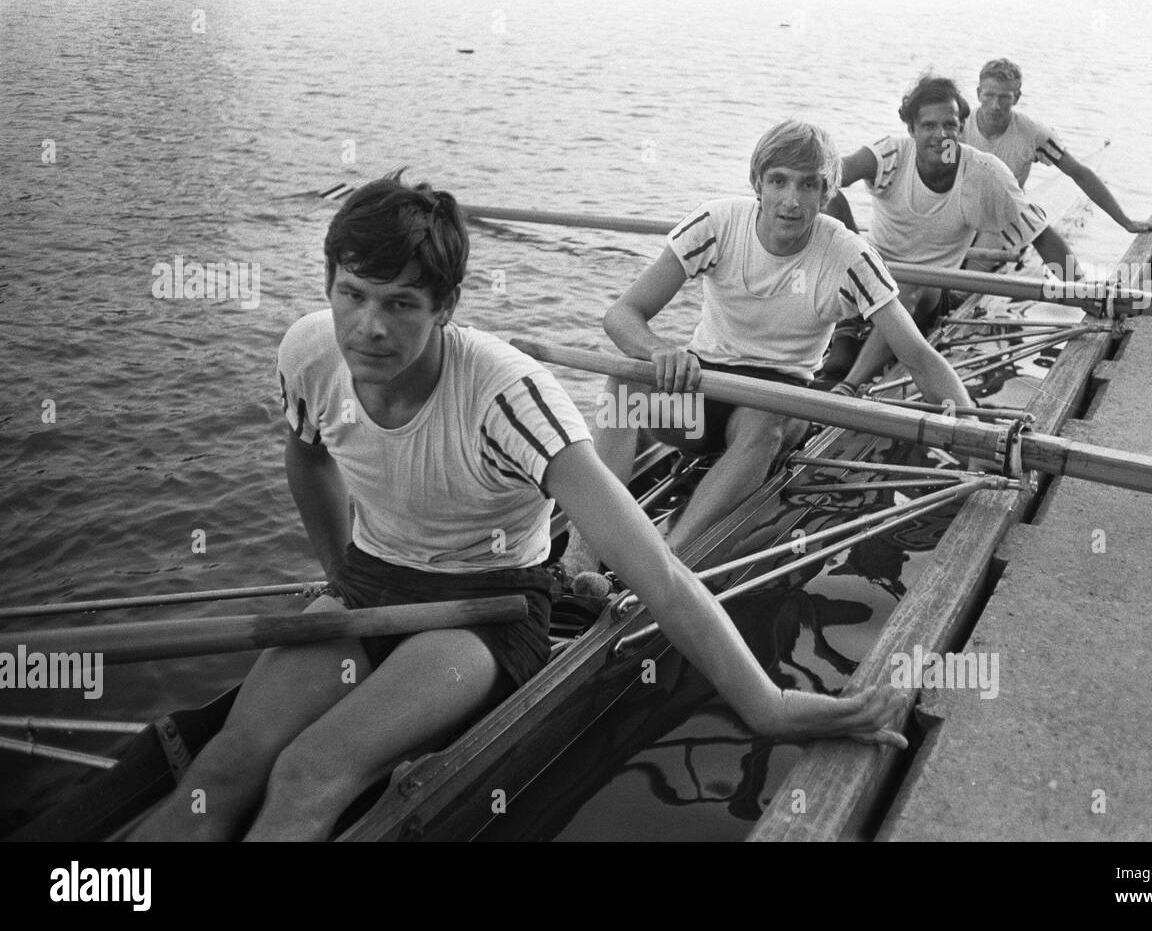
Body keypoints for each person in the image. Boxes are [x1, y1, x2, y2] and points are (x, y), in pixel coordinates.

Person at [128, 171, 909, 842]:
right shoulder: (307, 352)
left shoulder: (509, 396)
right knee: (224, 767)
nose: (369, 326)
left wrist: (767, 705)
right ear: (328, 281)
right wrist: (339, 585)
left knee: (308, 772)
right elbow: (305, 453)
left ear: (447, 306)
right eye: (352, 294)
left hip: (486, 609)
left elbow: (661, 577)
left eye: (402, 304)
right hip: (370, 582)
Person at [559, 120, 976, 589]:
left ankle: (661, 568)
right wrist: (658, 351)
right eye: (778, 181)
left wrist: (973, 434)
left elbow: (917, 357)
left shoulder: (848, 255)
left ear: (827, 192)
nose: (792, 201)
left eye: (809, 185)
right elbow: (622, 315)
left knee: (762, 420)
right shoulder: (716, 223)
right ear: (757, 183)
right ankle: (580, 560)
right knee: (626, 379)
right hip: (702, 395)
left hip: (779, 401)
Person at [821, 75, 1074, 389]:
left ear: (961, 128)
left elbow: (1042, 236)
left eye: (950, 126)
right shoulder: (890, 155)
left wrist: (1081, 291)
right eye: (929, 126)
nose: (941, 135)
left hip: (925, 290)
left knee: (908, 288)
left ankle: (849, 387)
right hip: (867, 278)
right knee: (825, 195)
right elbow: (824, 178)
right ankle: (845, 338)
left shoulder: (985, 173)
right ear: (912, 129)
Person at [964, 58, 1152, 259]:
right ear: (978, 93)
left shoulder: (1033, 134)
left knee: (964, 282)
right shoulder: (957, 129)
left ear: (1016, 97)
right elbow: (940, 172)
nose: (995, 105)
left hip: (1003, 215)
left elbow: (1080, 174)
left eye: (1004, 97)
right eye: (989, 95)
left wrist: (1126, 222)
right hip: (961, 208)